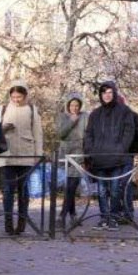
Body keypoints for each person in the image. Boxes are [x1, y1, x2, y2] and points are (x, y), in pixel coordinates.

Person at [82, 80, 138, 228]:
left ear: (114, 93)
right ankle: (103, 217)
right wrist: (91, 150)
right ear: (100, 94)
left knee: (115, 189)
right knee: (101, 191)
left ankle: (113, 218)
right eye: (104, 92)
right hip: (100, 158)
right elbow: (89, 134)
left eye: (110, 92)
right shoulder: (95, 114)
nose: (107, 95)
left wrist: (121, 149)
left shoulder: (124, 111)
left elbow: (129, 132)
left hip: (117, 158)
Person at [0, 84, 44, 236]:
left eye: (19, 97)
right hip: (7, 154)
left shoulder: (31, 109)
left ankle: (22, 223)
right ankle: (8, 223)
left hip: (26, 154)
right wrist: (3, 128)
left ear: (25, 96)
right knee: (7, 191)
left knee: (23, 191)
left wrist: (38, 155)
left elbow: (38, 132)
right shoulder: (3, 109)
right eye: (13, 97)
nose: (16, 100)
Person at [56, 93, 87, 227]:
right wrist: (71, 121)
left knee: (72, 185)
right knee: (69, 186)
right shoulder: (62, 117)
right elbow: (60, 134)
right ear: (68, 105)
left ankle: (62, 215)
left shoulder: (85, 116)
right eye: (72, 105)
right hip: (65, 155)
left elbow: (88, 133)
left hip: (79, 154)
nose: (74, 108)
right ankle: (73, 215)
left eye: (77, 105)